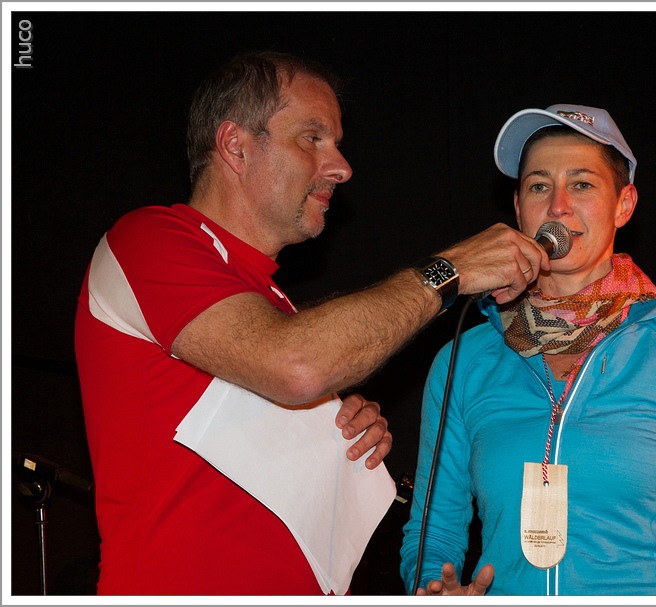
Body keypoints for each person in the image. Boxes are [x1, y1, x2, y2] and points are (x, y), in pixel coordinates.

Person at [73, 51, 550, 596]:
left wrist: (336, 433)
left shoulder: (276, 308)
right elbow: (296, 364)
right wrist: (450, 270)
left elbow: (291, 377)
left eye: (337, 144)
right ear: (235, 145)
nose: (341, 167)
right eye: (313, 138)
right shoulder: (147, 239)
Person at [399, 104, 656, 595]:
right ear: (518, 208)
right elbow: (433, 533)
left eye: (581, 184)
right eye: (539, 186)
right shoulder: (464, 358)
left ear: (624, 205)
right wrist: (433, 590)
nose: (558, 206)